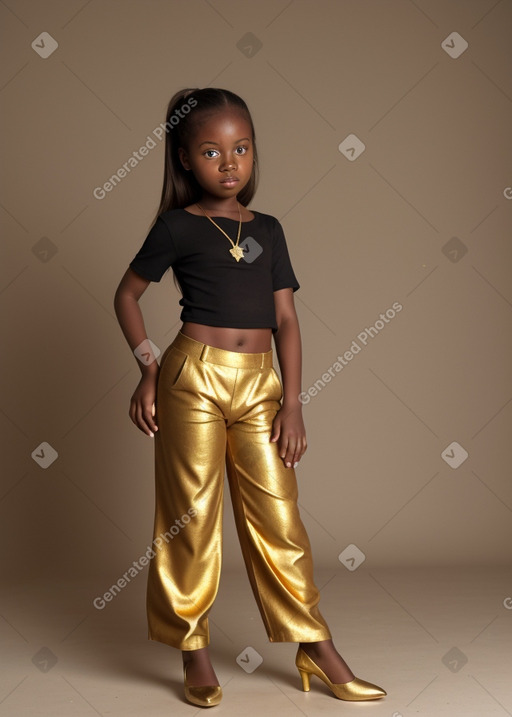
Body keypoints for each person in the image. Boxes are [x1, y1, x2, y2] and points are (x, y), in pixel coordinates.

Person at [113, 87, 386, 708]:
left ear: (254, 154)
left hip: (262, 383)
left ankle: (316, 646)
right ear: (185, 159)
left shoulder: (268, 230)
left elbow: (286, 320)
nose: (229, 163)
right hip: (193, 377)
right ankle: (193, 649)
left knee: (279, 516)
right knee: (191, 515)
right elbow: (126, 296)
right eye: (211, 151)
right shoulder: (177, 227)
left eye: (241, 149)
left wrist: (293, 401)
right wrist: (148, 369)